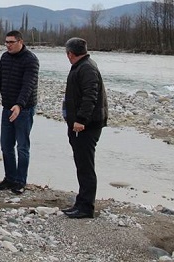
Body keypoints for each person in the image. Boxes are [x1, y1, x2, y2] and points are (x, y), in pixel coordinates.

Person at [0, 30, 39, 194]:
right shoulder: (5, 57)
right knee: (6, 145)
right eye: (6, 42)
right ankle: (10, 178)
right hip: (7, 108)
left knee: (22, 147)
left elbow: (28, 85)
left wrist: (19, 105)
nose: (8, 45)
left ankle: (20, 182)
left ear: (20, 42)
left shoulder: (31, 60)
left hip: (24, 109)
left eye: (11, 42)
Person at [62, 37, 108, 219]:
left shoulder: (87, 68)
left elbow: (90, 96)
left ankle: (86, 207)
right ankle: (80, 202)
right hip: (80, 125)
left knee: (85, 166)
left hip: (86, 126)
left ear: (70, 53)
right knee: (81, 164)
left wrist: (81, 120)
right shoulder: (82, 65)